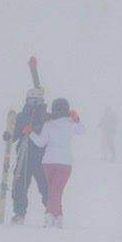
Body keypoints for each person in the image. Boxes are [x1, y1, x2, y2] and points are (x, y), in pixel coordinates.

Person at [28, 97, 85, 227]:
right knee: (56, 190)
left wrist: (30, 132)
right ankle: (54, 217)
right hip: (65, 162)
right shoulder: (71, 123)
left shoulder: (48, 124)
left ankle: (55, 216)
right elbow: (82, 130)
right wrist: (77, 119)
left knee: (53, 190)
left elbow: (40, 142)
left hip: (48, 161)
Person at [6, 88, 48, 225]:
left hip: (42, 157)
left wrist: (35, 129)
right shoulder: (21, 116)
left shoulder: (46, 117)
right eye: (31, 100)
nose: (34, 104)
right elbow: (15, 134)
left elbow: (50, 134)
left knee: (46, 186)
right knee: (19, 185)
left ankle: (51, 212)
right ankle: (19, 213)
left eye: (37, 101)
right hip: (24, 156)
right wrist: (9, 135)